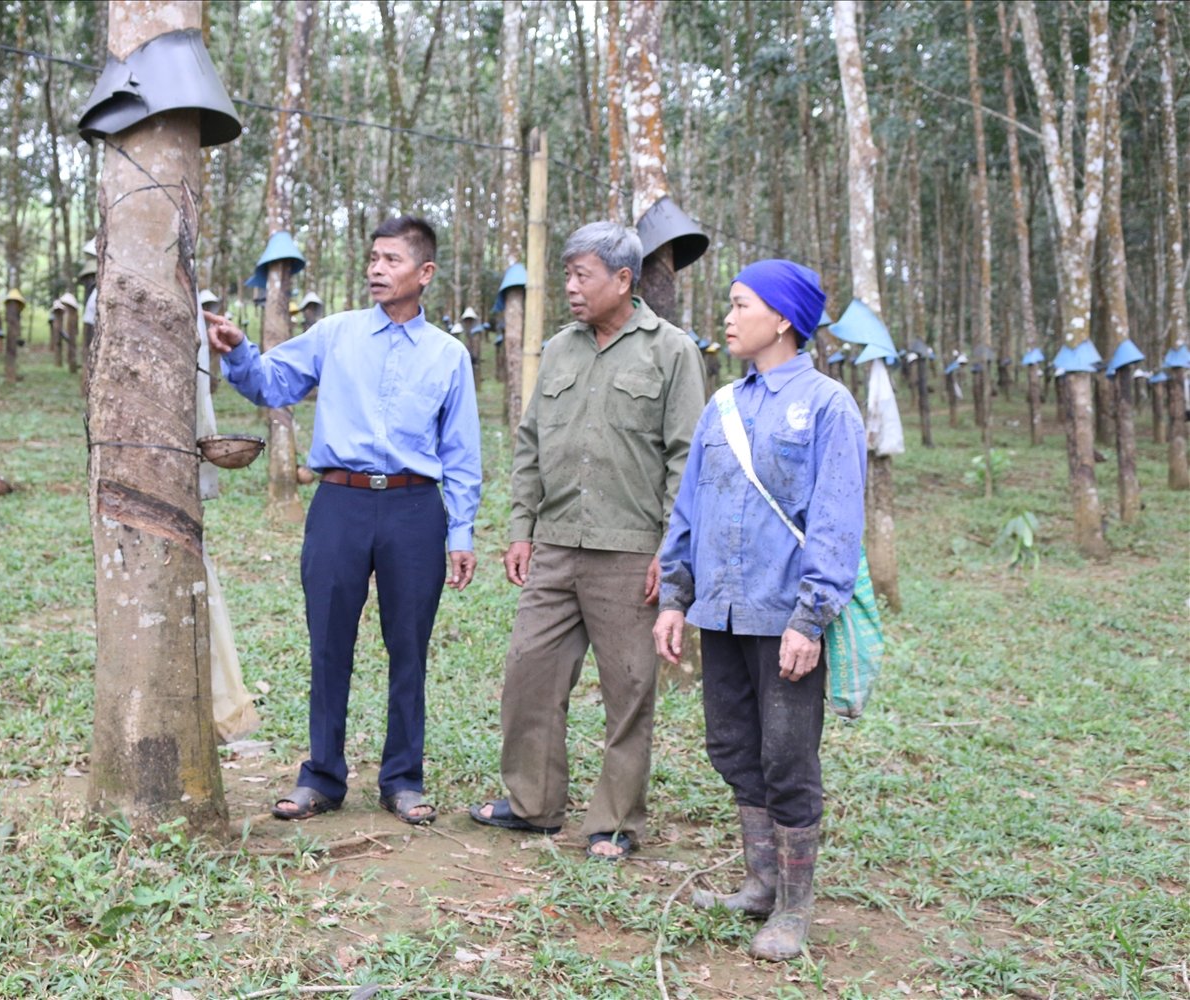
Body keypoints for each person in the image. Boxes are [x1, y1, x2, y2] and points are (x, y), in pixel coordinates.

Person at [204, 216, 482, 826]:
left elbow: (461, 453)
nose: (376, 269)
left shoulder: (448, 355)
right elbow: (271, 384)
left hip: (415, 510)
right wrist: (239, 349)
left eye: (391, 260)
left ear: (424, 273)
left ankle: (403, 779)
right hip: (339, 503)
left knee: (408, 647)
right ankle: (322, 776)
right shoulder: (335, 334)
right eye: (373, 258)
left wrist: (460, 531)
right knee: (329, 643)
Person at [469, 221, 706, 860]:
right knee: (530, 674)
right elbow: (529, 446)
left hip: (632, 552)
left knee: (629, 689)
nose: (570, 287)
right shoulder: (559, 350)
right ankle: (533, 803)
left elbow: (689, 459)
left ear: (623, 280)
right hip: (555, 545)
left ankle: (615, 820)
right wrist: (521, 528)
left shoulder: (672, 351)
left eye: (583, 275)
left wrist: (671, 550)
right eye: (568, 274)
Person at [653, 260, 865, 961]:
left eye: (741, 304)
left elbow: (836, 519)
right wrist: (676, 598)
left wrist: (811, 617)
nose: (729, 315)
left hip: (784, 617)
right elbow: (690, 509)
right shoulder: (721, 407)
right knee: (733, 747)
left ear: (782, 319)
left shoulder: (828, 404)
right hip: (723, 612)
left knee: (787, 757)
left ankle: (795, 910)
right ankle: (759, 884)